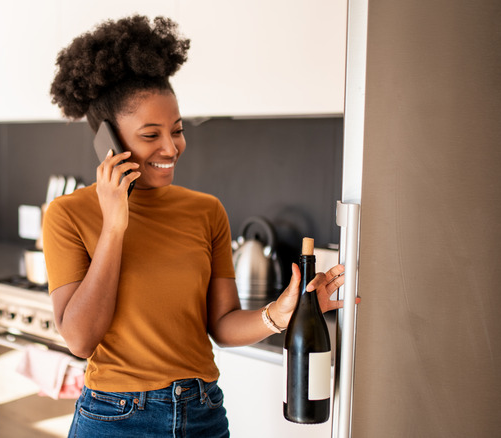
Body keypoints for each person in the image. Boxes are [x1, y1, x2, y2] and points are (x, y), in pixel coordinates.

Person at [43, 15, 347, 437]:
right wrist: (115, 225)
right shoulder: (67, 214)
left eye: (178, 130)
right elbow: (79, 339)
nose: (171, 147)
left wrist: (277, 315)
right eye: (151, 135)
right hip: (116, 418)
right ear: (109, 140)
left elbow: (221, 324)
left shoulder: (206, 211)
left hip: (202, 413)